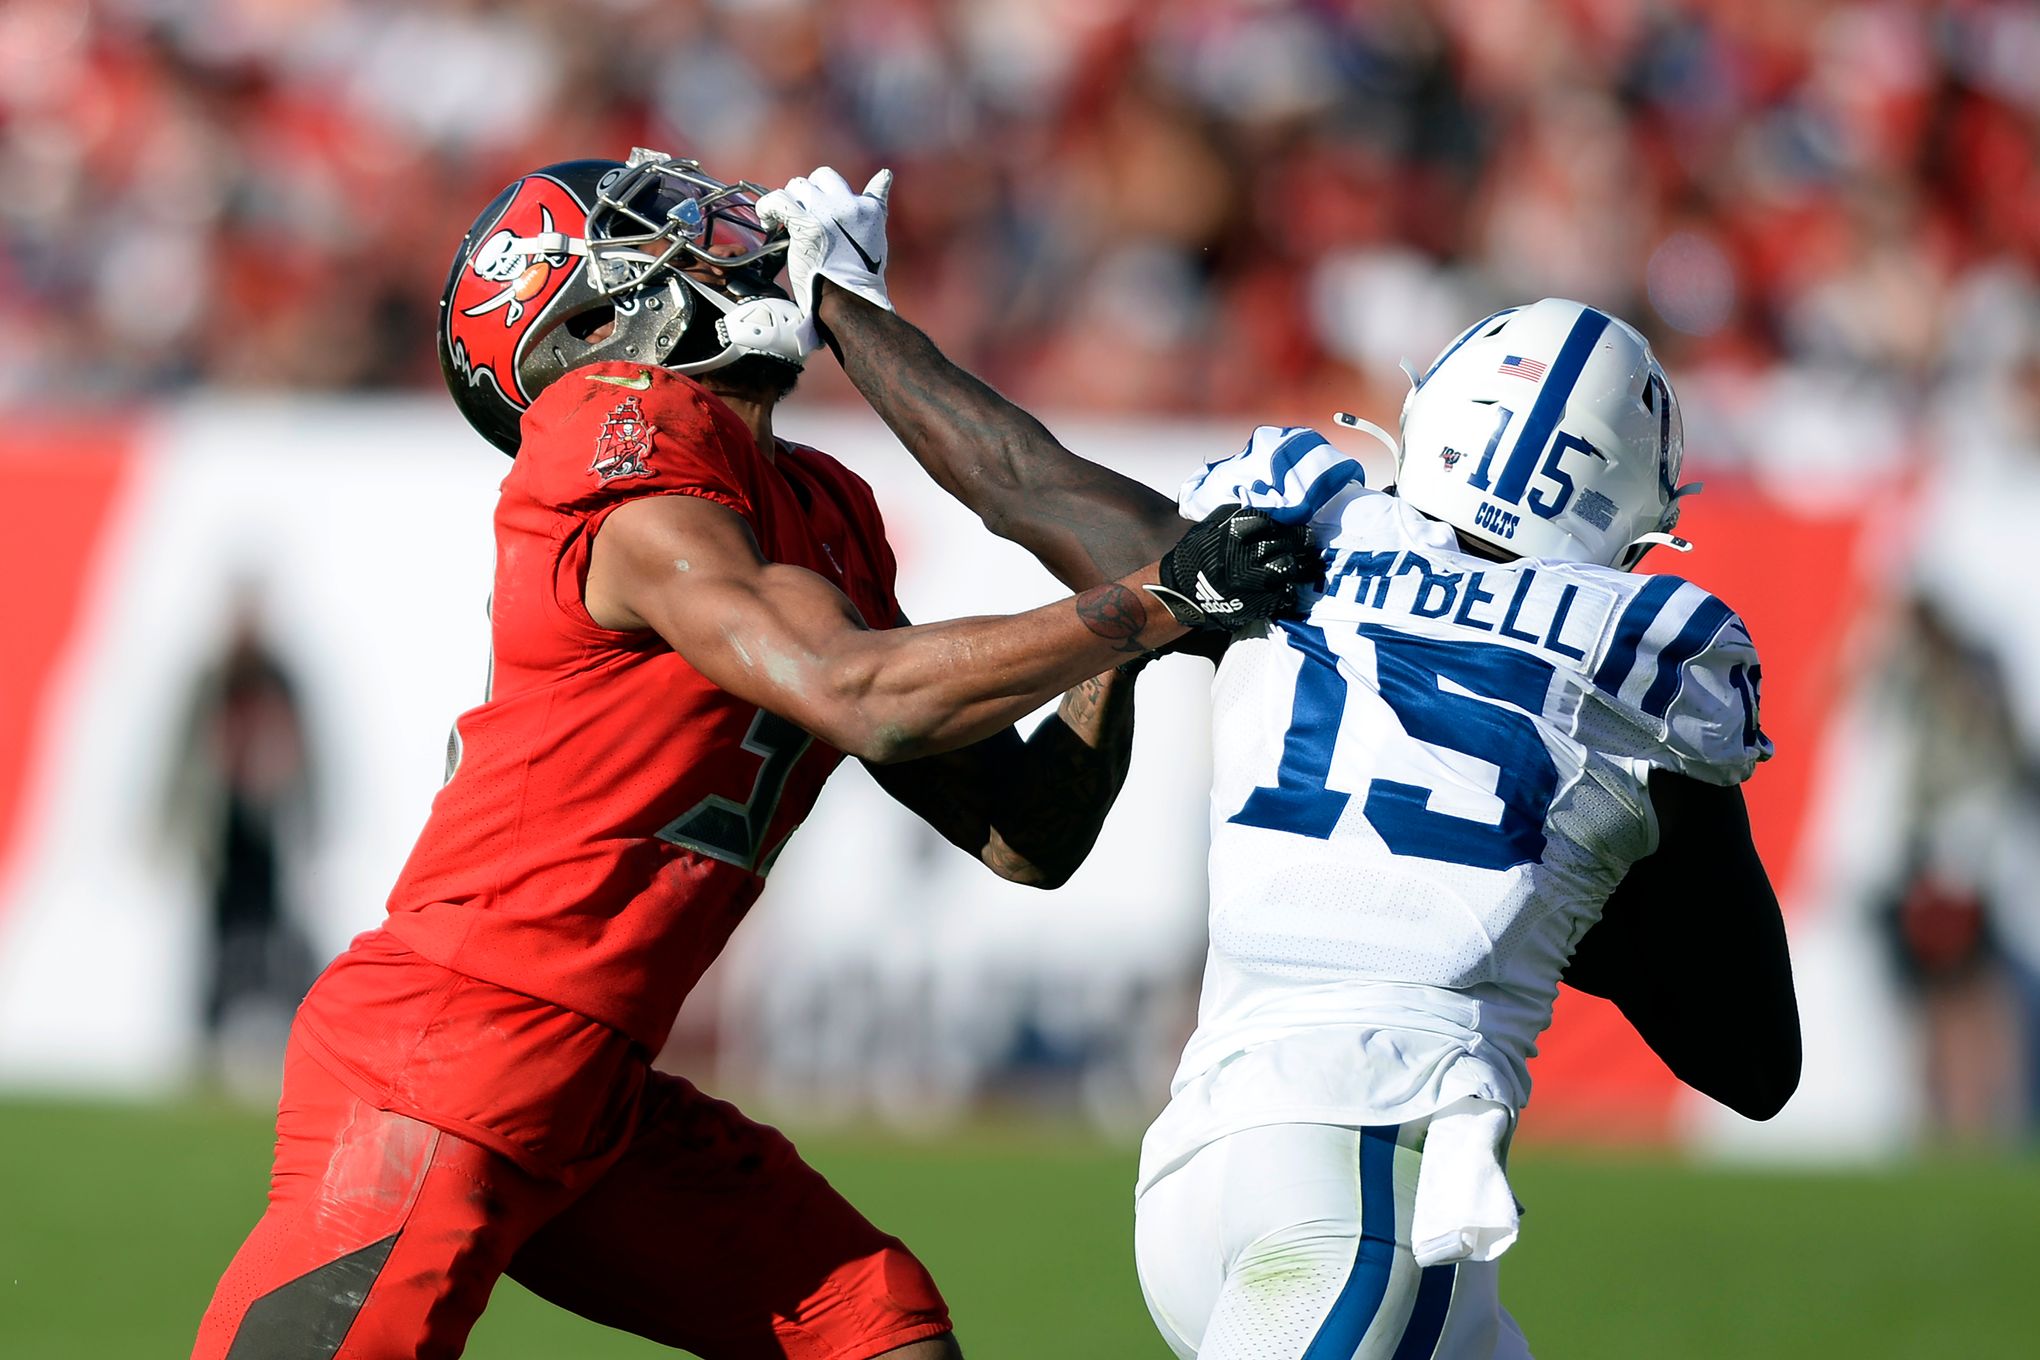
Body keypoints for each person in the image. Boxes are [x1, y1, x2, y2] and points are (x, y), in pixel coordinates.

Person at [191, 149, 1316, 1360]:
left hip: (595, 1088)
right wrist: (1151, 599)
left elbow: (1027, 829)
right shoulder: (611, 441)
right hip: (441, 1064)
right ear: (587, 313)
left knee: (876, 1327)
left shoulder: (812, 503)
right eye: (662, 227)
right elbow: (859, 696)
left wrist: (1124, 634)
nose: (723, 233)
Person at [760, 172, 1801, 1359]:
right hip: (1366, 1193)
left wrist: (843, 296)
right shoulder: (1639, 668)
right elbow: (1756, 1060)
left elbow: (1017, 477)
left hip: (1210, 1169)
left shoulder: (1295, 546)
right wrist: (1561, 873)